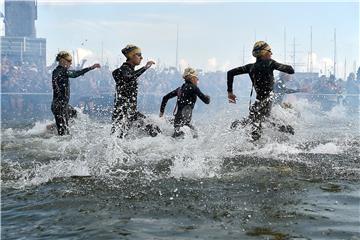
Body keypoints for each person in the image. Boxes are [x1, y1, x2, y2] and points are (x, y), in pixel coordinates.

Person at [227, 41, 295, 140]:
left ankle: (240, 127)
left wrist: (230, 92)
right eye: (270, 51)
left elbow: (230, 73)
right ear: (264, 53)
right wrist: (276, 65)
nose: (271, 54)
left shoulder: (250, 67)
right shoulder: (270, 63)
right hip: (267, 99)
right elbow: (291, 70)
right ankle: (286, 130)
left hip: (259, 100)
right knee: (261, 121)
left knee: (258, 120)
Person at [111, 44, 160, 137]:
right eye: (139, 55)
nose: (141, 57)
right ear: (131, 56)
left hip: (129, 113)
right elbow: (128, 78)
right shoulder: (124, 68)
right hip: (123, 113)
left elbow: (118, 74)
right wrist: (145, 68)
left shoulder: (126, 69)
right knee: (119, 138)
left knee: (153, 129)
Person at [51, 51, 100, 135]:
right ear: (63, 61)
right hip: (59, 106)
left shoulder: (62, 71)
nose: (71, 63)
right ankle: (56, 127)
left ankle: (52, 127)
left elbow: (74, 73)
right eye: (69, 61)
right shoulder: (59, 71)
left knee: (75, 114)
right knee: (64, 134)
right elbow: (75, 74)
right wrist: (90, 68)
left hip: (63, 105)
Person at [159, 67, 210, 138]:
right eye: (196, 78)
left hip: (177, 123)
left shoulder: (179, 89)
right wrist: (208, 97)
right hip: (185, 125)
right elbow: (206, 101)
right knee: (195, 136)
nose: (197, 80)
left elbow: (165, 98)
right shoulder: (193, 87)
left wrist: (161, 114)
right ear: (192, 78)